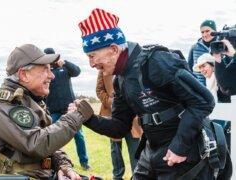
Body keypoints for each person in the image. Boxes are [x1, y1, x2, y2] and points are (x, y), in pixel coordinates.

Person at [75, 8, 218, 179]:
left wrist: (180, 145)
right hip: (151, 151)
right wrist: (88, 118)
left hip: (182, 153)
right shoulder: (120, 80)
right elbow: (120, 127)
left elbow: (203, 101)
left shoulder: (157, 62)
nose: (91, 64)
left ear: (113, 49)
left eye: (92, 56)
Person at [0, 44, 94, 179]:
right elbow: (37, 144)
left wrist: (62, 165)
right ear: (24, 74)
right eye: (45, 69)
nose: (52, 76)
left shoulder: (29, 101)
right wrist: (76, 116)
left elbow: (48, 142)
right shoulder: (2, 105)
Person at [44, 47, 91, 171]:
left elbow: (77, 71)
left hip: (69, 109)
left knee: (79, 136)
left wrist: (65, 62)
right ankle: (51, 163)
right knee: (51, 137)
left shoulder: (64, 68)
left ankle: (84, 162)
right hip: (53, 111)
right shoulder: (46, 72)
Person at [96, 70, 140, 179]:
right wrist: (114, 103)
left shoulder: (130, 67)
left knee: (135, 148)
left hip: (132, 116)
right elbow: (99, 90)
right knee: (115, 150)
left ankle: (138, 174)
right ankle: (117, 176)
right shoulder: (103, 69)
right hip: (113, 115)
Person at [188, 20, 217, 86]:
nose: (205, 34)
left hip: (219, 88)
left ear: (214, 31)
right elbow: (189, 69)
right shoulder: (194, 48)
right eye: (202, 32)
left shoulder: (222, 45)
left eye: (207, 31)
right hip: (200, 88)